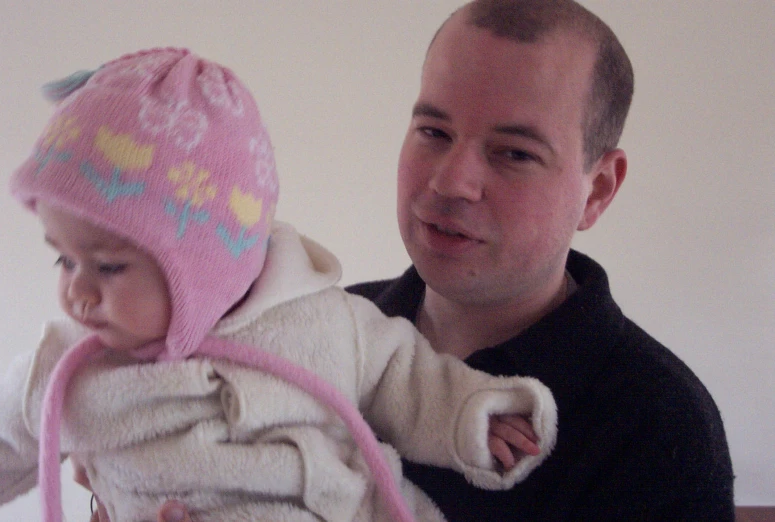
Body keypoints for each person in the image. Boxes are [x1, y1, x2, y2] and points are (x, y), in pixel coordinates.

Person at [85, 0, 738, 519]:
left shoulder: (659, 430)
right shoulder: (312, 321)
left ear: (596, 189)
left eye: (513, 152)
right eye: (433, 132)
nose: (451, 181)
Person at [0, 47, 560, 522]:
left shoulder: (319, 320)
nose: (78, 294)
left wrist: (471, 414)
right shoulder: (63, 371)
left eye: (108, 266)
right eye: (63, 262)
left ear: (204, 263)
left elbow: (403, 376)